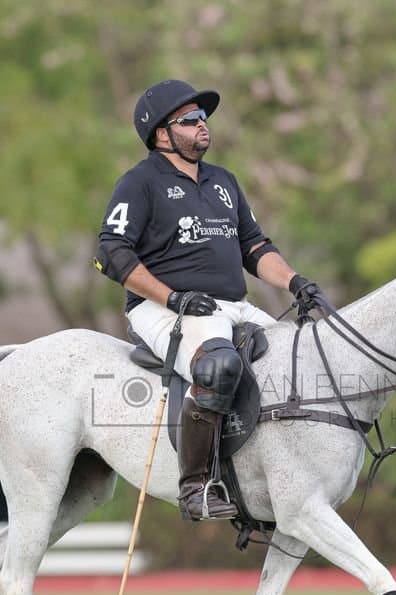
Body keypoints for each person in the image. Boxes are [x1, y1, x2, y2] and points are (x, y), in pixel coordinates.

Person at [94, 79, 322, 521]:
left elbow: (254, 248)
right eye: (190, 119)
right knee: (218, 367)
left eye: (204, 117)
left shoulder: (223, 182)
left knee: (301, 352)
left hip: (231, 304)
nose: (203, 125)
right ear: (163, 134)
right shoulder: (139, 183)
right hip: (161, 309)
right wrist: (173, 297)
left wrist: (295, 282)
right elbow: (111, 252)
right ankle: (195, 487)